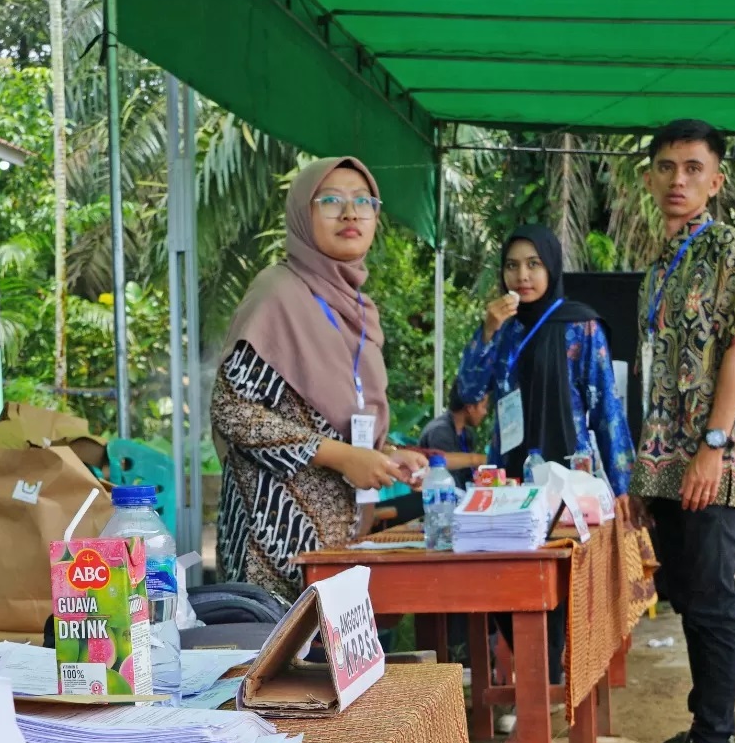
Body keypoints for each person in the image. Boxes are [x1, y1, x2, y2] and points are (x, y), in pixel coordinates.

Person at [628, 118, 735, 743]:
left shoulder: (732, 250)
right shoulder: (658, 266)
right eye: (665, 167)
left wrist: (711, 449)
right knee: (687, 597)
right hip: (667, 460)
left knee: (713, 601)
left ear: (717, 181)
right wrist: (646, 470)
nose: (677, 180)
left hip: (712, 461)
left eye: (692, 168)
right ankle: (704, 728)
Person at [213, 156, 422, 600]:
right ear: (302, 216)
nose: (350, 213)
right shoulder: (279, 293)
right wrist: (340, 456)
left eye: (363, 201)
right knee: (272, 668)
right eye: (331, 201)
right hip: (273, 546)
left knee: (332, 670)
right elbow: (232, 411)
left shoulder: (358, 310)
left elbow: (325, 419)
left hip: (338, 547)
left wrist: (384, 457)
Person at [455, 224, 634, 500]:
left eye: (533, 264)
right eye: (512, 266)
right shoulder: (503, 329)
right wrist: (487, 331)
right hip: (509, 480)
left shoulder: (580, 326)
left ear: (551, 267)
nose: (522, 276)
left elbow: (607, 412)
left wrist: (623, 490)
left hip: (572, 481)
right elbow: (469, 391)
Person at [417, 384, 489, 486]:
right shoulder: (440, 431)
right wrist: (475, 459)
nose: (485, 412)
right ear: (470, 407)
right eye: (484, 406)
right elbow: (441, 466)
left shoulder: (467, 434)